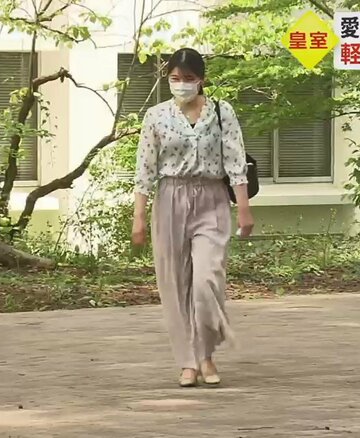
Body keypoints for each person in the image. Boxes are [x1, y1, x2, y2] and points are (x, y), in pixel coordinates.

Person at [130, 47, 255, 387]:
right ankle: (189, 361)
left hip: (212, 198)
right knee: (175, 284)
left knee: (206, 280)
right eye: (175, 78)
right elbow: (145, 169)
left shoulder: (221, 111)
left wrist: (244, 209)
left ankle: (206, 353)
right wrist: (139, 217)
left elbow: (235, 161)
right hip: (170, 198)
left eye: (188, 78)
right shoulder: (156, 116)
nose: (181, 84)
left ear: (201, 79)